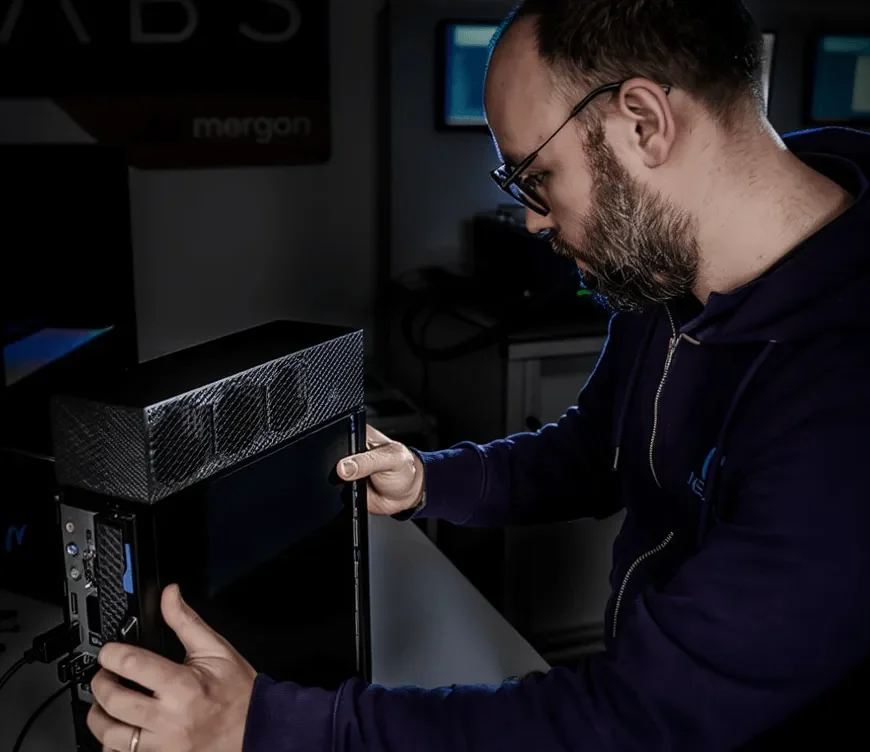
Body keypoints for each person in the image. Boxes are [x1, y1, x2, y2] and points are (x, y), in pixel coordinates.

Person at [86, 0, 870, 750]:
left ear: (644, 123)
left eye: (533, 175)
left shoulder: (840, 407)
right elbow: (598, 450)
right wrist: (430, 481)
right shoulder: (669, 267)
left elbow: (637, 721)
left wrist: (266, 728)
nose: (531, 219)